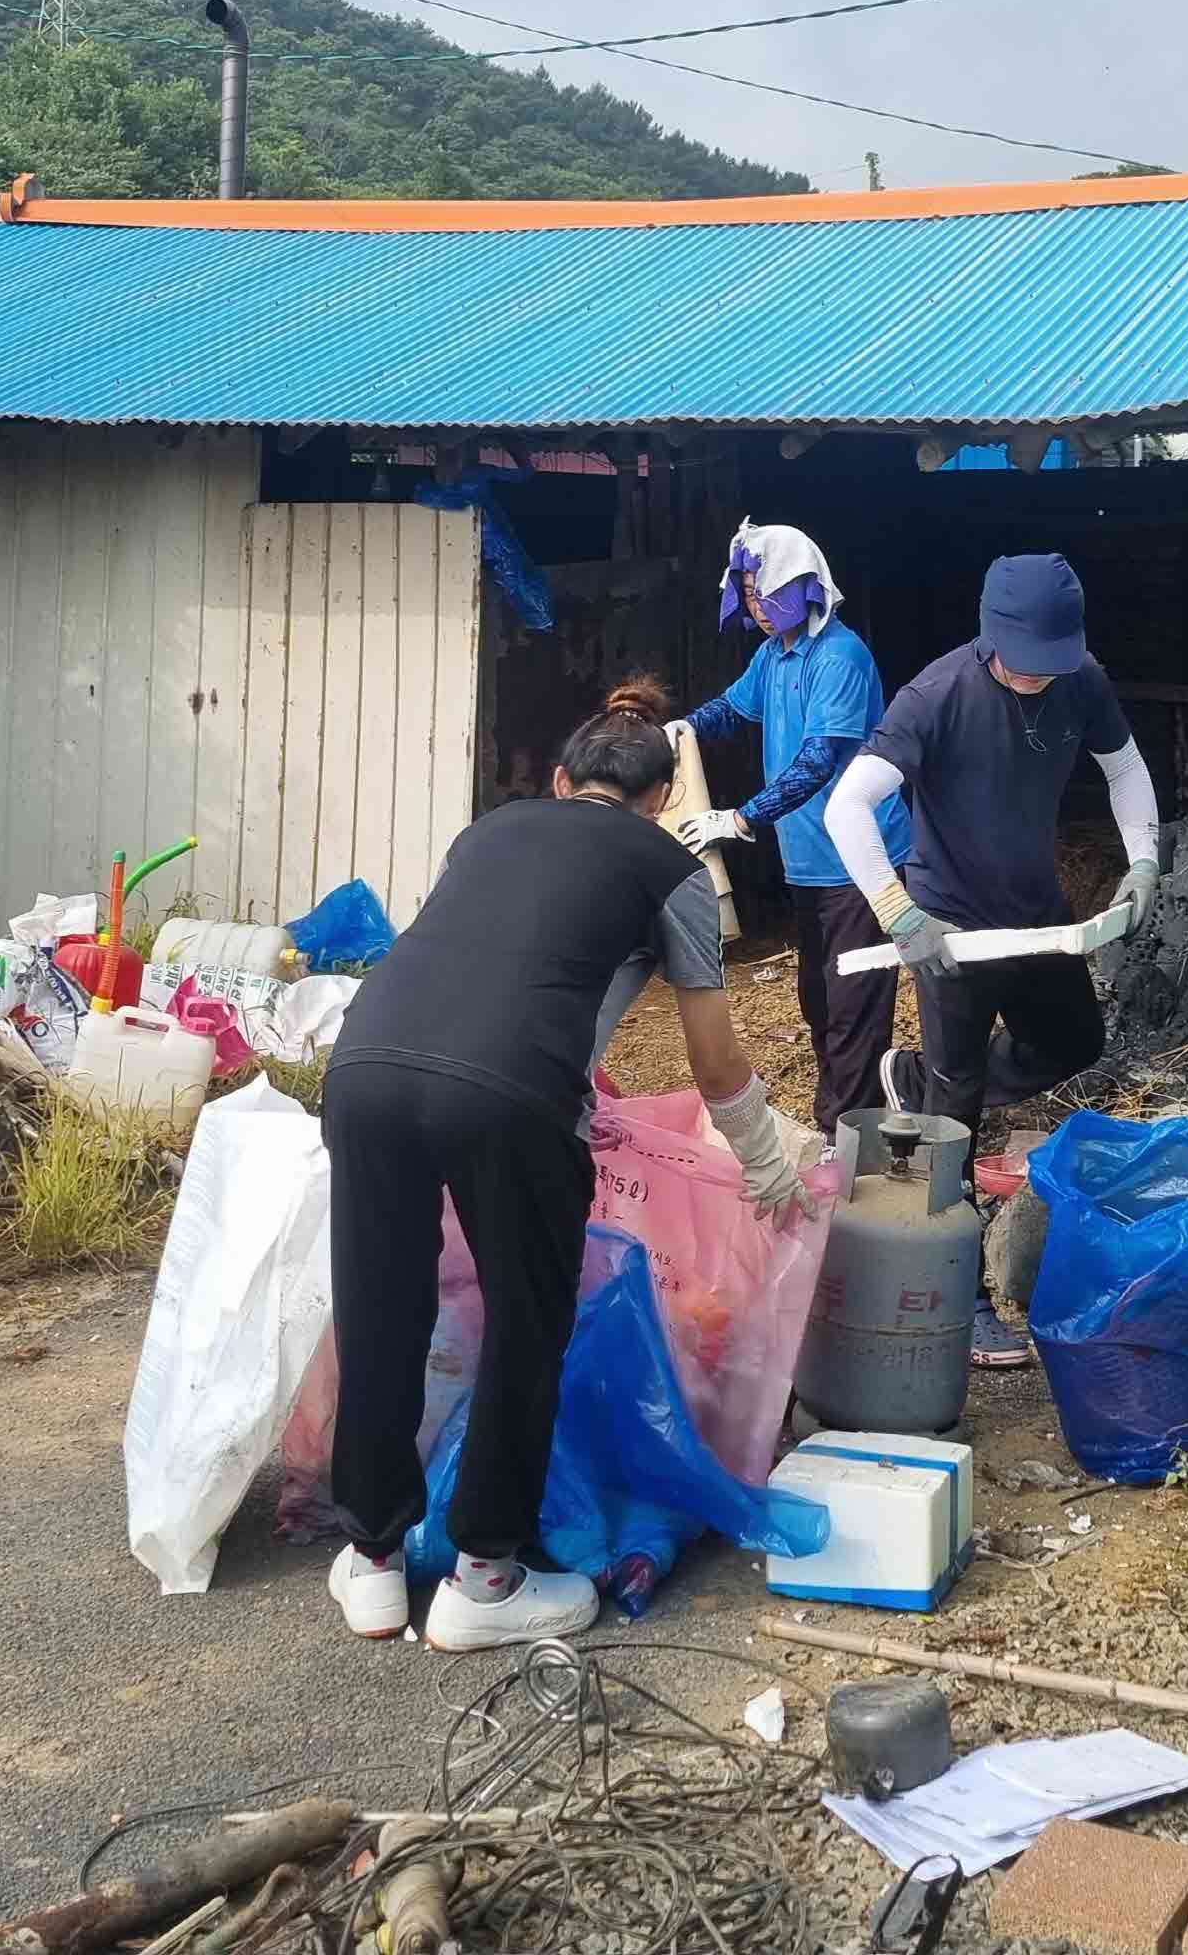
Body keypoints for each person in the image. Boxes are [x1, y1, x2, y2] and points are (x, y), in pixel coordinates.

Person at [321, 680, 807, 1653]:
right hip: (506, 1096)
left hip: (364, 1066)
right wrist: (770, 1164)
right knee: (527, 1321)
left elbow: (489, 969)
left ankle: (372, 1557)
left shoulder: (490, 831)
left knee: (379, 1306)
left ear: (558, 779)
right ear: (664, 796)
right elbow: (714, 1059)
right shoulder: (671, 867)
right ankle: (485, 1578)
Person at [823, 553, 1160, 1365]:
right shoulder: (934, 697)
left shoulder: (1082, 679)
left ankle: (917, 1080)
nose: (1043, 677)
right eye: (1029, 661)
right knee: (957, 1121)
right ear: (992, 635)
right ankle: (963, 1296)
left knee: (1078, 1041)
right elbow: (847, 806)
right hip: (949, 928)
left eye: (1057, 660)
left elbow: (1125, 769)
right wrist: (901, 913)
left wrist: (1144, 857)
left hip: (1036, 915)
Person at [670, 522, 910, 1146]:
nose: (752, 605)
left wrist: (742, 817)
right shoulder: (773, 653)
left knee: (855, 1003)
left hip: (862, 861)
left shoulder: (841, 658)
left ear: (798, 587)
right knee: (819, 1000)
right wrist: (679, 732)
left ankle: (843, 1141)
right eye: (744, 593)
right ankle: (849, 1123)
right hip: (807, 860)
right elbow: (730, 709)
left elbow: (819, 759)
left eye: (759, 591)